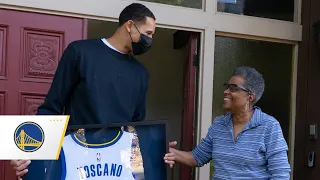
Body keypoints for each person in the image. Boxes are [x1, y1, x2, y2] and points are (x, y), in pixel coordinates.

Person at [10, 3, 156, 180]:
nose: (149, 40)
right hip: (76, 161)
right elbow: (51, 108)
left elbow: (136, 128)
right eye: (148, 33)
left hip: (117, 166)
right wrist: (28, 155)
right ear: (130, 25)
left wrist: (155, 150)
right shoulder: (79, 52)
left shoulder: (141, 74)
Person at [164, 66, 291, 179]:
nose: (226, 91)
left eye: (233, 88)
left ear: (250, 97)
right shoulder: (219, 124)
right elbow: (198, 157)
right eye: (226, 87)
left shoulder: (269, 126)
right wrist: (169, 151)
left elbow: (281, 174)